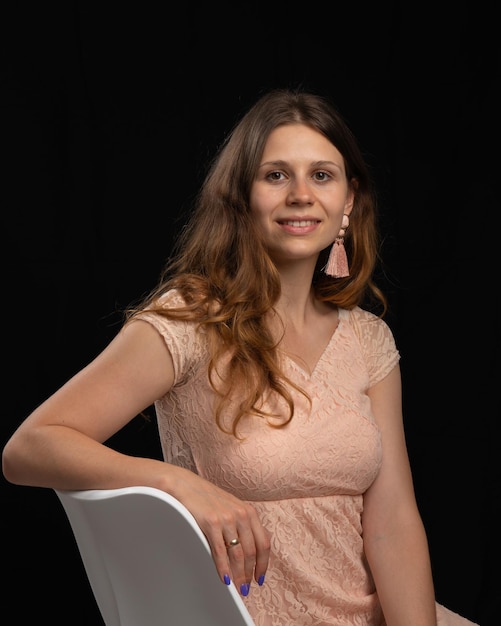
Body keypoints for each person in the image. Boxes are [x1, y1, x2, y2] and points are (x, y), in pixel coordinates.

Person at [2, 88, 478, 626]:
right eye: (276, 175)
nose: (301, 194)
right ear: (240, 195)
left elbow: (392, 520)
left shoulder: (368, 339)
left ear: (348, 200)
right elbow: (28, 447)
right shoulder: (190, 320)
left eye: (322, 175)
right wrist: (176, 483)